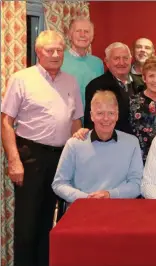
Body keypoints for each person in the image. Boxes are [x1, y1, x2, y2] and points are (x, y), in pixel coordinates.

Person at [1, 30, 83, 266]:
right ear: (38, 52)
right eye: (50, 50)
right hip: (31, 157)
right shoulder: (21, 78)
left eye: (59, 50)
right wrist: (14, 160)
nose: (56, 54)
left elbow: (75, 121)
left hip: (62, 158)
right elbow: (6, 122)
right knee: (28, 225)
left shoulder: (71, 81)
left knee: (51, 222)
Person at [53, 90, 142, 203]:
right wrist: (86, 198)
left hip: (120, 209)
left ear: (117, 115)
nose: (106, 118)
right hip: (83, 209)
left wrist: (110, 195)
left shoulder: (131, 143)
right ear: (91, 116)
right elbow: (59, 183)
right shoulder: (74, 144)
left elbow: (137, 184)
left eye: (111, 113)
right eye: (100, 113)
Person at [84, 42, 144, 134]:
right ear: (107, 62)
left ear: (131, 59)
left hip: (139, 143)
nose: (122, 62)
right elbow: (90, 123)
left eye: (125, 58)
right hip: (111, 142)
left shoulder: (142, 83)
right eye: (116, 58)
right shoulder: (96, 86)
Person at [61, 17, 104, 109]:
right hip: (68, 119)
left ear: (92, 37)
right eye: (78, 31)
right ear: (70, 35)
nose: (82, 35)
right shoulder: (59, 60)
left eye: (87, 32)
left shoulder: (98, 63)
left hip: (92, 118)